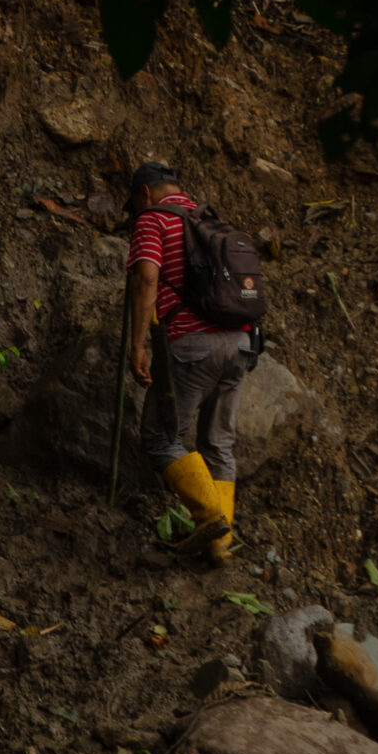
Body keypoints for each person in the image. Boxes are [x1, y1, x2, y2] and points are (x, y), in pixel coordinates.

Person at [125, 161, 255, 565]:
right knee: (218, 443)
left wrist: (137, 344)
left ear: (145, 193)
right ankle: (219, 547)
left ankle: (209, 516)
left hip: (193, 346)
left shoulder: (153, 219)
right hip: (241, 343)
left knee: (162, 438)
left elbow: (147, 278)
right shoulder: (211, 221)